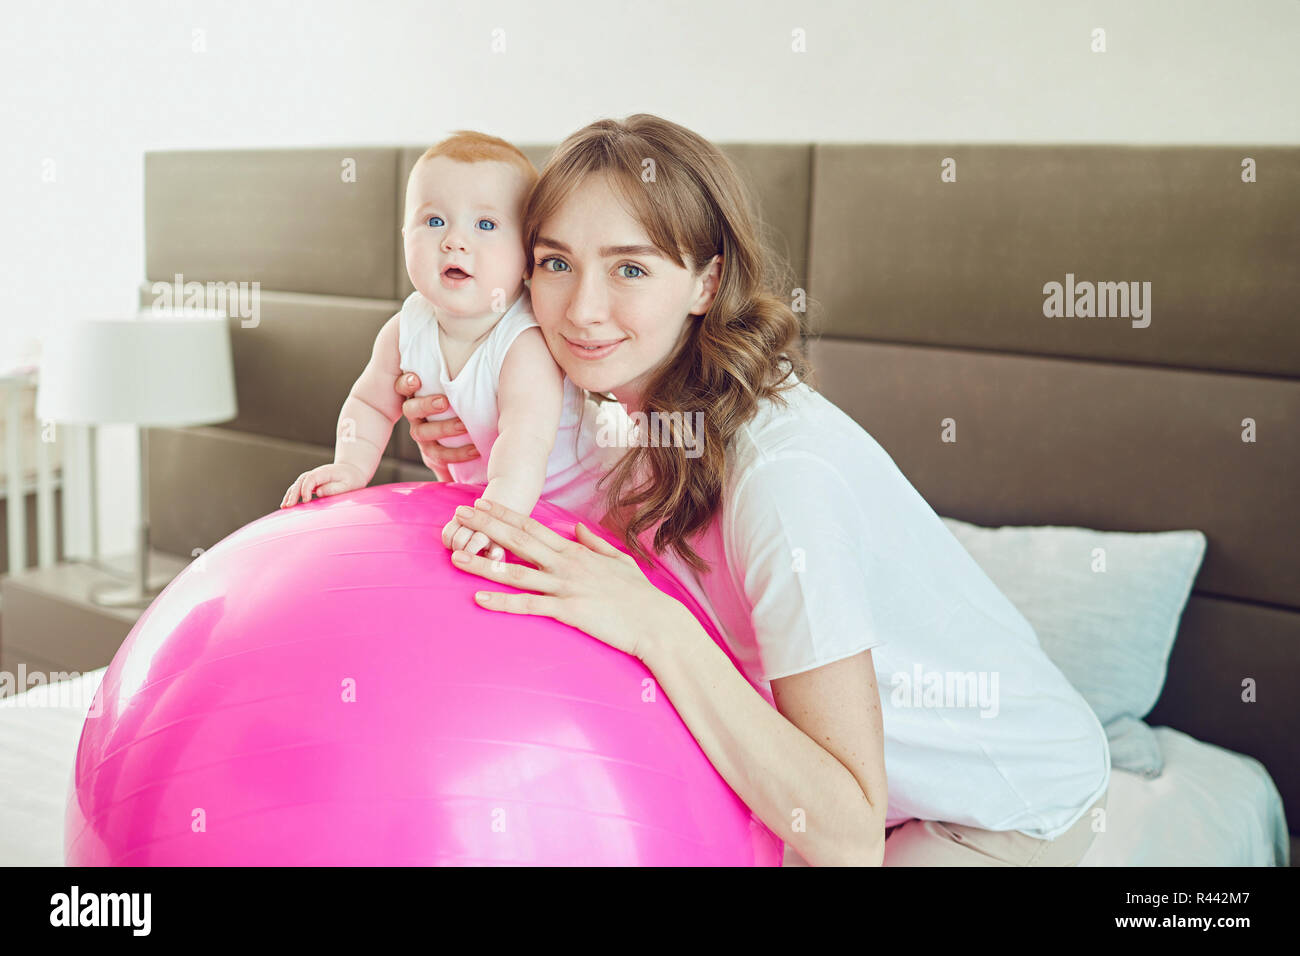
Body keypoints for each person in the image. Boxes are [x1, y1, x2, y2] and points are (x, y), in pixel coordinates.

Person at [391, 114, 1110, 866]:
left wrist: (658, 627)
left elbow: (848, 835)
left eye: (630, 269)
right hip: (844, 791)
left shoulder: (780, 478)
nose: (582, 310)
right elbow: (570, 543)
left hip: (1001, 810)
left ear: (706, 281)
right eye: (555, 263)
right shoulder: (628, 413)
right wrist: (474, 451)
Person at [280, 130, 619, 562]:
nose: (455, 241)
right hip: (489, 500)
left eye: (485, 225)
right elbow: (369, 404)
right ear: (405, 235)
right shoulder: (405, 328)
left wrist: (499, 515)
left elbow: (525, 440)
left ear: (527, 251)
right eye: (435, 221)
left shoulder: (523, 342)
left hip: (579, 508)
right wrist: (350, 465)